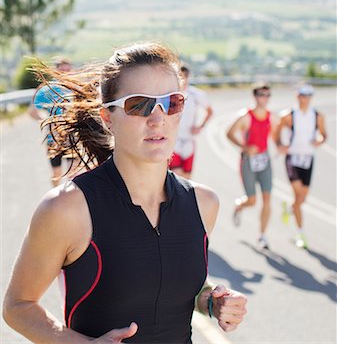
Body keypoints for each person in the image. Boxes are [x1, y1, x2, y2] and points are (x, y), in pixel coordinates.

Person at [3, 43, 247, 343]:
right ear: (108, 117)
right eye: (139, 105)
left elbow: (172, 281)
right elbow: (18, 306)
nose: (158, 119)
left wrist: (212, 300)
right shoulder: (67, 208)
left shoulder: (203, 203)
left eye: (171, 102)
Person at [274, 84, 327, 249]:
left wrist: (319, 140)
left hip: (308, 158)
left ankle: (290, 209)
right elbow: (275, 132)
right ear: (297, 96)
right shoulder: (288, 115)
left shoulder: (317, 115)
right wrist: (280, 145)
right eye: (302, 95)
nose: (305, 98)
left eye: (308, 95)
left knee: (302, 199)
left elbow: (324, 134)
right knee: (297, 195)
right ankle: (300, 232)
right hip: (293, 158)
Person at [226, 83, 275, 250]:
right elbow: (229, 133)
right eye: (261, 94)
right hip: (248, 161)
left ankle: (262, 235)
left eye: (267, 95)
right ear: (255, 96)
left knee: (267, 198)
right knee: (252, 201)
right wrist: (245, 147)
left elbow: (275, 135)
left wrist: (283, 145)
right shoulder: (246, 116)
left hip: (265, 160)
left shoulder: (271, 116)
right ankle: (240, 205)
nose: (265, 98)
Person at [29, 57, 74, 186]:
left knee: (74, 173)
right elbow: (32, 111)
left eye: (67, 69)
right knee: (57, 174)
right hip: (53, 139)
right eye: (62, 69)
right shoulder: (47, 89)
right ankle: (55, 199)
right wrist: (46, 120)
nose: (65, 72)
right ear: (56, 71)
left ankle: (72, 202)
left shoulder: (75, 87)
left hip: (72, 137)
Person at [169, 64, 213, 179]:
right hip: (174, 141)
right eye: (181, 76)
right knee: (176, 175)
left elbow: (209, 111)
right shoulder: (170, 94)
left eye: (186, 76)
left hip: (189, 140)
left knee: (187, 178)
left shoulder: (196, 94)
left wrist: (200, 126)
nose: (184, 79)